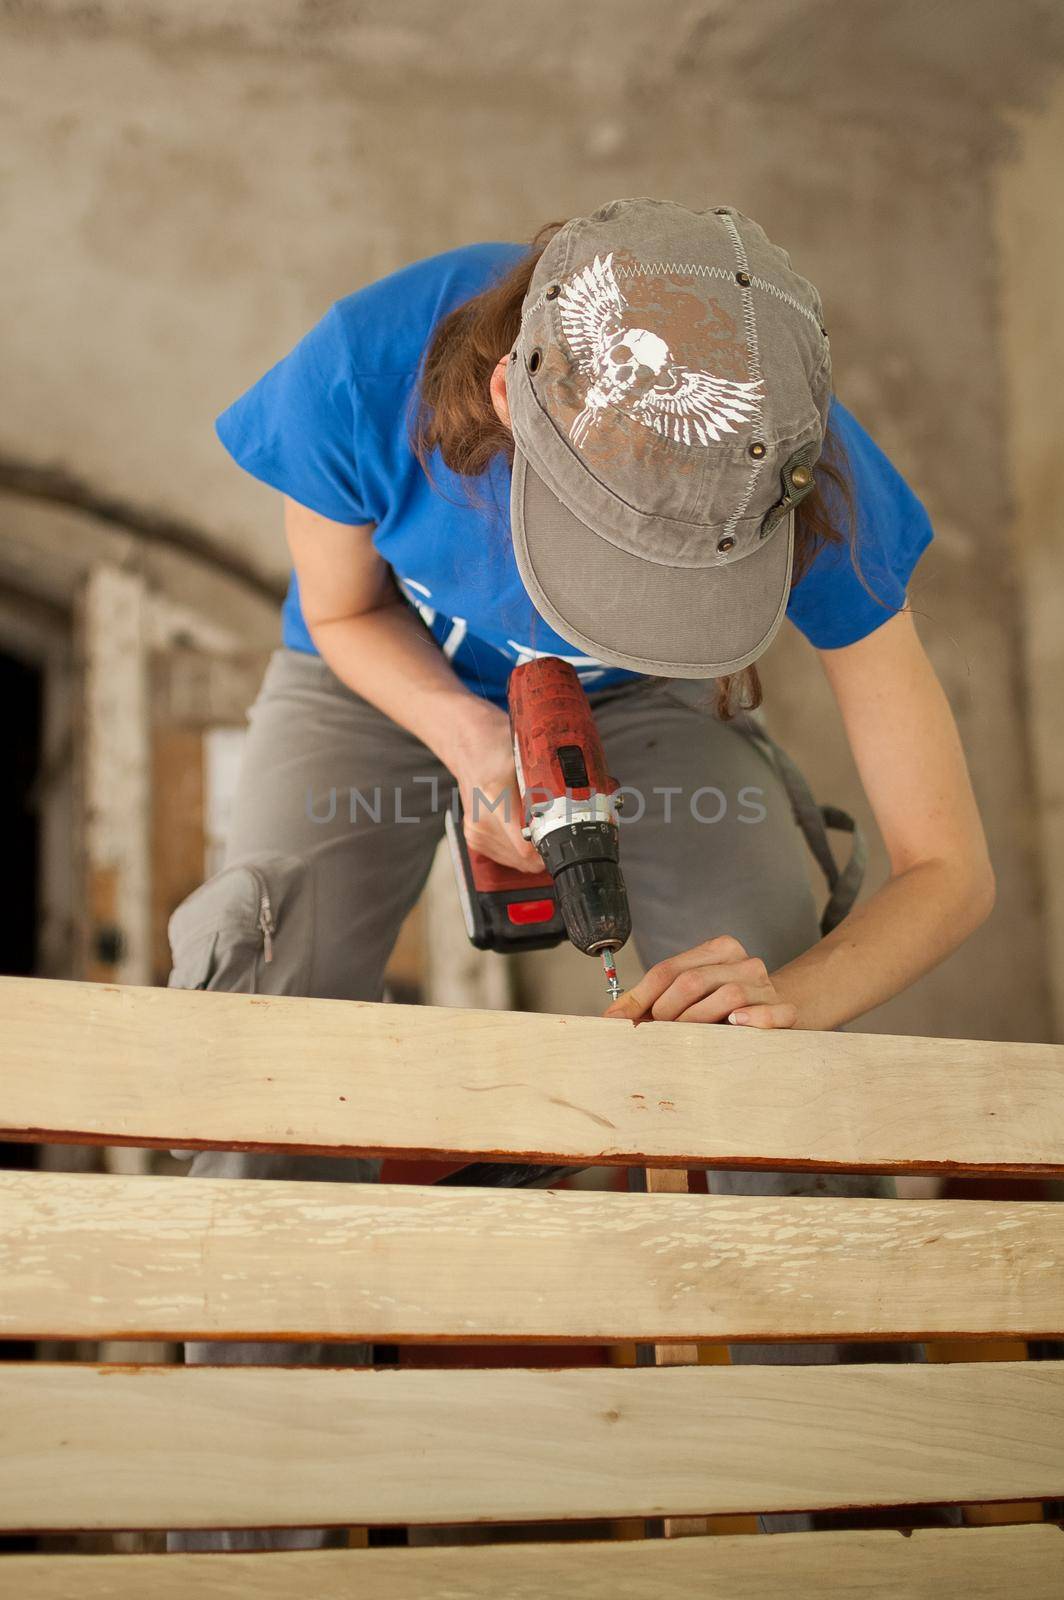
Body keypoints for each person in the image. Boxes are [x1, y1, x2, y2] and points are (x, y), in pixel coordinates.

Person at [167, 199, 991, 1548]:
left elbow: (951, 869)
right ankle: (252, 1519)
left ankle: (827, 1506)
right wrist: (465, 731)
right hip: (375, 669)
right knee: (271, 969)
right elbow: (339, 610)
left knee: (770, 963)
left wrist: (787, 1004)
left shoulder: (807, 474)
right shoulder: (367, 370)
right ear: (506, 397)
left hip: (651, 705)